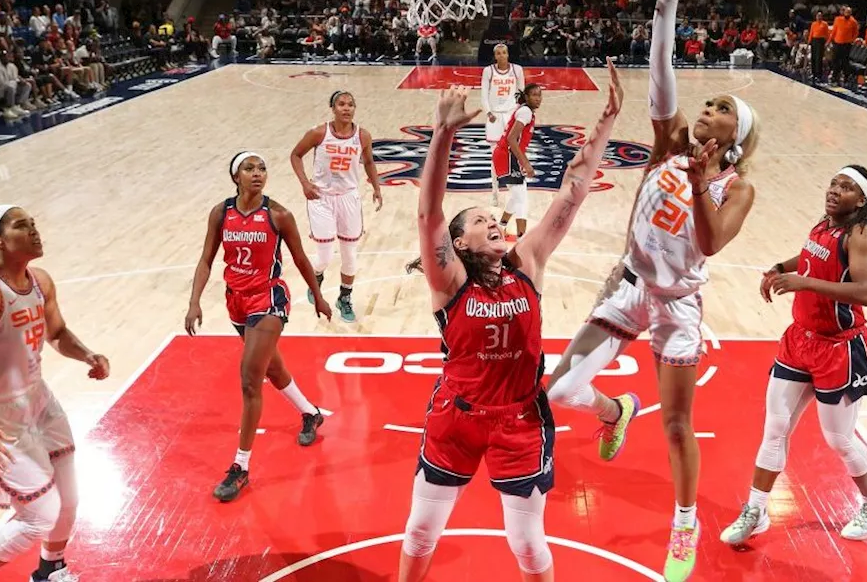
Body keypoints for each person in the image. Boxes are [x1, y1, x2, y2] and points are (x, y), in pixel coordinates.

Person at [544, 0, 760, 582]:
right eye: (711, 101)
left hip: (678, 306)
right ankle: (615, 411)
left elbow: (713, 240)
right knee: (558, 389)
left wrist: (697, 181)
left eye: (722, 107)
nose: (709, 106)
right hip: (631, 285)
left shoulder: (735, 185)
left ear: (735, 135)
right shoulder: (669, 141)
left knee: (676, 425)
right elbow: (660, 69)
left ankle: (685, 522)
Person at [398, 62, 623, 582]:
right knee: (420, 532)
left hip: (520, 419)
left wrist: (606, 122)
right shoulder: (448, 282)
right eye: (480, 221)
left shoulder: (528, 262)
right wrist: (443, 135)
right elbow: (428, 214)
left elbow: (572, 192)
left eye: (494, 218)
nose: (494, 221)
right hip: (456, 417)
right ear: (459, 244)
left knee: (526, 543)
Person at [0, 205, 111, 582]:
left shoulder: (40, 280)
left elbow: (57, 333)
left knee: (70, 496)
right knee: (39, 514)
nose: (33, 229)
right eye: (21, 225)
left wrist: (87, 354)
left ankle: (51, 569)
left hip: (37, 398)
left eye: (33, 223)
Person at [720, 165, 867, 548]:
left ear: (861, 200)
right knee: (775, 428)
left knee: (839, 439)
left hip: (840, 349)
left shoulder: (860, 233)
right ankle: (756, 509)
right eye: (834, 182)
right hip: (800, 341)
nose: (835, 190)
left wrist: (801, 282)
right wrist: (781, 268)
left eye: (846, 187)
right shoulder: (824, 224)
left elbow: (864, 291)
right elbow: (811, 258)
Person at [185, 152, 332, 503]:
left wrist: (318, 296)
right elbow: (206, 258)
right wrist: (194, 301)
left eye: (262, 168)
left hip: (269, 299)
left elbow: (298, 257)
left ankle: (241, 467)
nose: (257, 174)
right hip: (235, 299)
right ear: (235, 176)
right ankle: (310, 413)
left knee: (251, 379)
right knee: (272, 367)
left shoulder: (279, 214)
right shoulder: (221, 213)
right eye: (249, 168)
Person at [290, 90, 383, 322]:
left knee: (350, 255)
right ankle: (316, 278)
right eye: (341, 104)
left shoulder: (363, 135)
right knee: (324, 257)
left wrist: (377, 187)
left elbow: (369, 162)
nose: (346, 108)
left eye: (350, 104)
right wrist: (304, 183)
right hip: (321, 197)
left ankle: (345, 297)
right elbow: (295, 155)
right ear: (333, 108)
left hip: (349, 197)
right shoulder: (319, 133)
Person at [491, 83, 543, 242]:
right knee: (521, 198)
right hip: (506, 155)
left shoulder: (526, 111)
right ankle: (522, 240)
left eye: (540, 95)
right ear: (526, 97)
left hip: (508, 155)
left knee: (517, 196)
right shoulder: (525, 111)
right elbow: (511, 139)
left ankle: (500, 228)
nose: (538, 98)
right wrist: (526, 163)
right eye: (534, 95)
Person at [481, 44, 526, 205]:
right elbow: (484, 94)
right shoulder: (488, 71)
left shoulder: (517, 70)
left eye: (504, 52)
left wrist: (520, 114)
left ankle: (514, 191)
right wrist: (488, 112)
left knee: (513, 156)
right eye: (498, 53)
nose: (502, 55)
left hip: (511, 116)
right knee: (495, 157)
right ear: (495, 56)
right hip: (494, 117)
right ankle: (495, 191)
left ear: (508, 54)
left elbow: (522, 95)